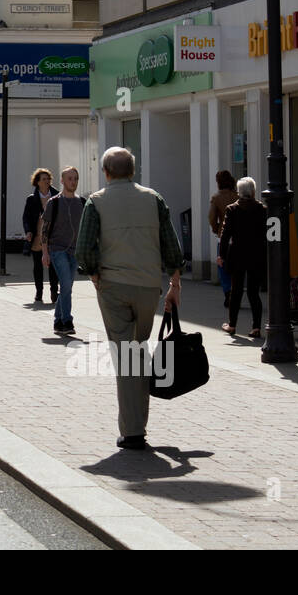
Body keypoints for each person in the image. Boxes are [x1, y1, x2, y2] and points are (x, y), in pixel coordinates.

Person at [75, 147, 184, 451]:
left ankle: (133, 431)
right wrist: (174, 282)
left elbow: (84, 249)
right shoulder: (153, 198)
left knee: (125, 355)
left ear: (106, 172)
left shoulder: (96, 201)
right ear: (132, 171)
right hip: (148, 286)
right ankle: (138, 421)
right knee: (137, 350)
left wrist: (94, 275)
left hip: (113, 286)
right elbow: (171, 245)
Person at [35, 166, 85, 334]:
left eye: (76, 178)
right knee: (65, 285)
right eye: (70, 178)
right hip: (57, 250)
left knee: (66, 287)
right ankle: (67, 321)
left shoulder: (82, 203)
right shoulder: (54, 203)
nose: (73, 182)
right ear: (62, 181)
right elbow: (45, 229)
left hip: (74, 251)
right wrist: (45, 252)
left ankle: (57, 321)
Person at [218, 176, 266, 338]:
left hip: (237, 254)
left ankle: (232, 325)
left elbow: (225, 235)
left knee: (236, 290)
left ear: (239, 192)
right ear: (253, 191)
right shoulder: (262, 209)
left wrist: (221, 255)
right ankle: (256, 327)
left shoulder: (232, 209)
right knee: (253, 292)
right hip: (256, 255)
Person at [23, 168, 60, 304]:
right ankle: (39, 292)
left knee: (53, 266)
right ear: (37, 182)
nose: (47, 181)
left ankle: (54, 292)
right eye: (44, 179)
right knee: (38, 265)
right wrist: (28, 231)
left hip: (53, 236)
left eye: (48, 179)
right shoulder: (32, 199)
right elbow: (26, 217)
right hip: (37, 236)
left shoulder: (57, 196)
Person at [208, 170, 239, 308]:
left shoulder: (216, 198)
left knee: (222, 265)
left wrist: (216, 228)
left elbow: (211, 217)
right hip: (238, 236)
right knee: (237, 266)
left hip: (223, 236)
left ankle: (228, 292)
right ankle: (236, 290)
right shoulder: (238, 196)